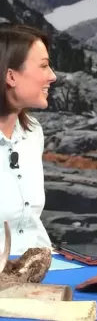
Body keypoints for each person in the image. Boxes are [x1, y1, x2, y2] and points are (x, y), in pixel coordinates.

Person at [0, 23, 57, 254]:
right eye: (43, 66)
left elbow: (30, 223)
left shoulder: (33, 131)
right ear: (10, 76)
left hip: (42, 268)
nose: (52, 76)